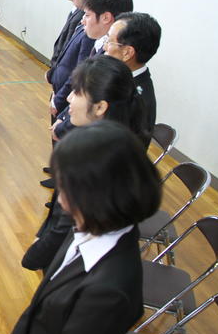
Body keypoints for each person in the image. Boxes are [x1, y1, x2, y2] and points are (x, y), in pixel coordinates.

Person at [0, 120, 161, 334]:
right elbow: (41, 298)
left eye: (66, 188)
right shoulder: (88, 227)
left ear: (97, 196)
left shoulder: (109, 290)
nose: (60, 199)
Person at [24, 55, 148, 273]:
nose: (69, 98)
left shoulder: (95, 168)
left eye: (77, 92)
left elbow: (62, 230)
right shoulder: (110, 145)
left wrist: (37, 250)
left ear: (100, 107)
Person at [51, 0, 134, 141]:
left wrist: (63, 126)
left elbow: (87, 96)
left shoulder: (111, 60)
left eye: (87, 15)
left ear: (106, 18)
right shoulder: (99, 44)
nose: (83, 20)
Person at [104, 11, 161, 136]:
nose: (104, 47)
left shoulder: (134, 100)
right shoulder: (122, 76)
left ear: (127, 53)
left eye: (109, 41)